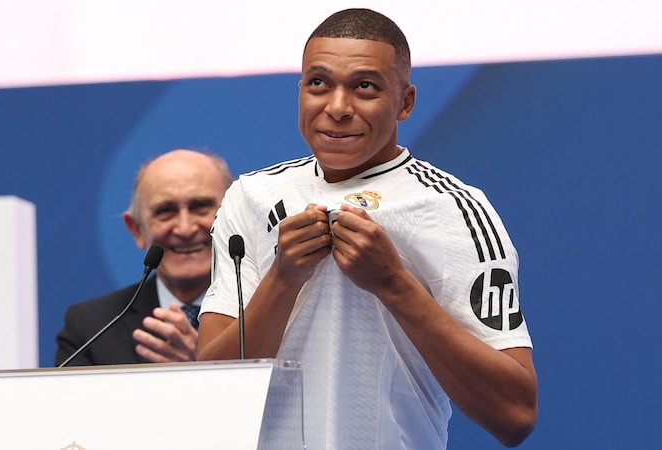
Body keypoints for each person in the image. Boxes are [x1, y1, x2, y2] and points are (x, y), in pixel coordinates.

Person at [197, 8, 538, 449]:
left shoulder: (453, 208)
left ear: (405, 102)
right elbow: (213, 389)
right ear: (300, 91)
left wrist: (395, 284)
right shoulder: (251, 196)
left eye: (364, 87)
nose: (337, 108)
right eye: (318, 83)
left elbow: (515, 414)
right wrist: (283, 279)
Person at [56, 149, 233, 366]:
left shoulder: (271, 312)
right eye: (165, 211)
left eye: (200, 207)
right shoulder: (91, 327)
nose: (185, 229)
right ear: (137, 229)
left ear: (233, 216)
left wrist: (203, 367)